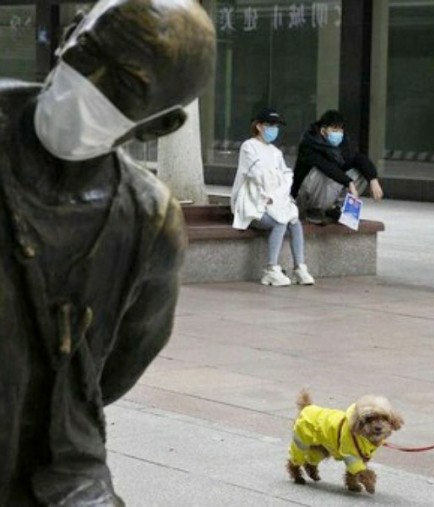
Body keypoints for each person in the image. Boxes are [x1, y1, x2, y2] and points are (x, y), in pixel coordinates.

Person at [0, 0, 215, 505]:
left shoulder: (148, 221)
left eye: (123, 87)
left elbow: (120, 366)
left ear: (158, 125)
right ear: (68, 37)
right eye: (87, 51)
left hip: (59, 467)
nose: (87, 83)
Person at [231, 108, 315, 287]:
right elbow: (258, 174)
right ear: (259, 126)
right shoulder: (248, 146)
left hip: (275, 201)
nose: (274, 129)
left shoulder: (276, 152)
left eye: (276, 126)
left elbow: (286, 176)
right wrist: (274, 186)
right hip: (252, 203)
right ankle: (271, 268)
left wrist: (277, 191)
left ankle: (299, 267)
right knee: (280, 221)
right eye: (270, 125)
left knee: (294, 220)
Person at [291, 109, 384, 225]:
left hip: (327, 192)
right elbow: (326, 166)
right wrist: (349, 182)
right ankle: (314, 210)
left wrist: (373, 179)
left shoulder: (342, 145)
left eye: (340, 129)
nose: (339, 133)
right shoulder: (309, 144)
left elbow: (358, 158)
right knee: (321, 172)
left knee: (362, 172)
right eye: (334, 129)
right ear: (323, 131)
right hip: (304, 198)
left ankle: (335, 208)